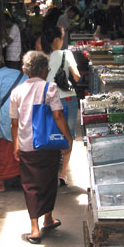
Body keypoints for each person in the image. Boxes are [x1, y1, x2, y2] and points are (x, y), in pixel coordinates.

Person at [10, 51, 72, 244]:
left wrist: (16, 144)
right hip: (48, 144)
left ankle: (34, 228)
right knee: (49, 180)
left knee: (30, 185)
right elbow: (58, 116)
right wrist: (68, 138)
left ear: (27, 70)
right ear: (44, 69)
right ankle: (48, 218)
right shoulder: (49, 88)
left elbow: (14, 123)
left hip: (27, 144)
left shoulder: (17, 91)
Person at [41, 26, 80, 186]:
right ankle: (63, 173)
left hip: (49, 98)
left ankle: (50, 171)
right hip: (67, 98)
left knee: (52, 133)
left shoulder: (43, 57)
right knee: (68, 135)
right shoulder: (66, 54)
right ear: (57, 40)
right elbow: (76, 77)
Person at [0, 59, 28, 193]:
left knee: (5, 147)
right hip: (27, 113)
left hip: (8, 115)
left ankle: (0, 183)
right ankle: (23, 179)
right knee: (25, 146)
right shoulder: (21, 74)